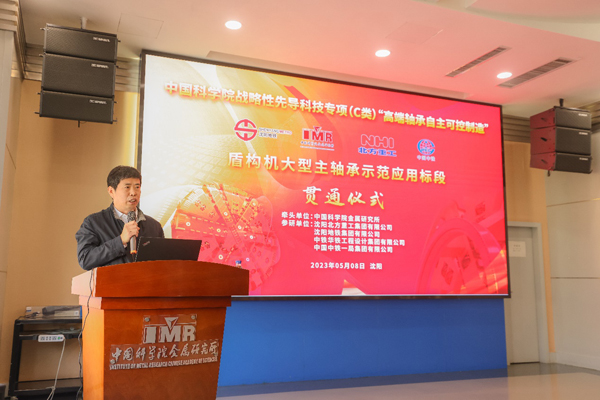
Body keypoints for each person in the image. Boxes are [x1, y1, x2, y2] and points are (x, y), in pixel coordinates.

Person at [76, 166, 164, 270]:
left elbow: (162, 263)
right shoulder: (93, 223)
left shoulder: (154, 226)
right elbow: (85, 259)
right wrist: (120, 241)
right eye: (127, 187)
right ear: (111, 191)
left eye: (137, 187)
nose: (133, 193)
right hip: (111, 281)